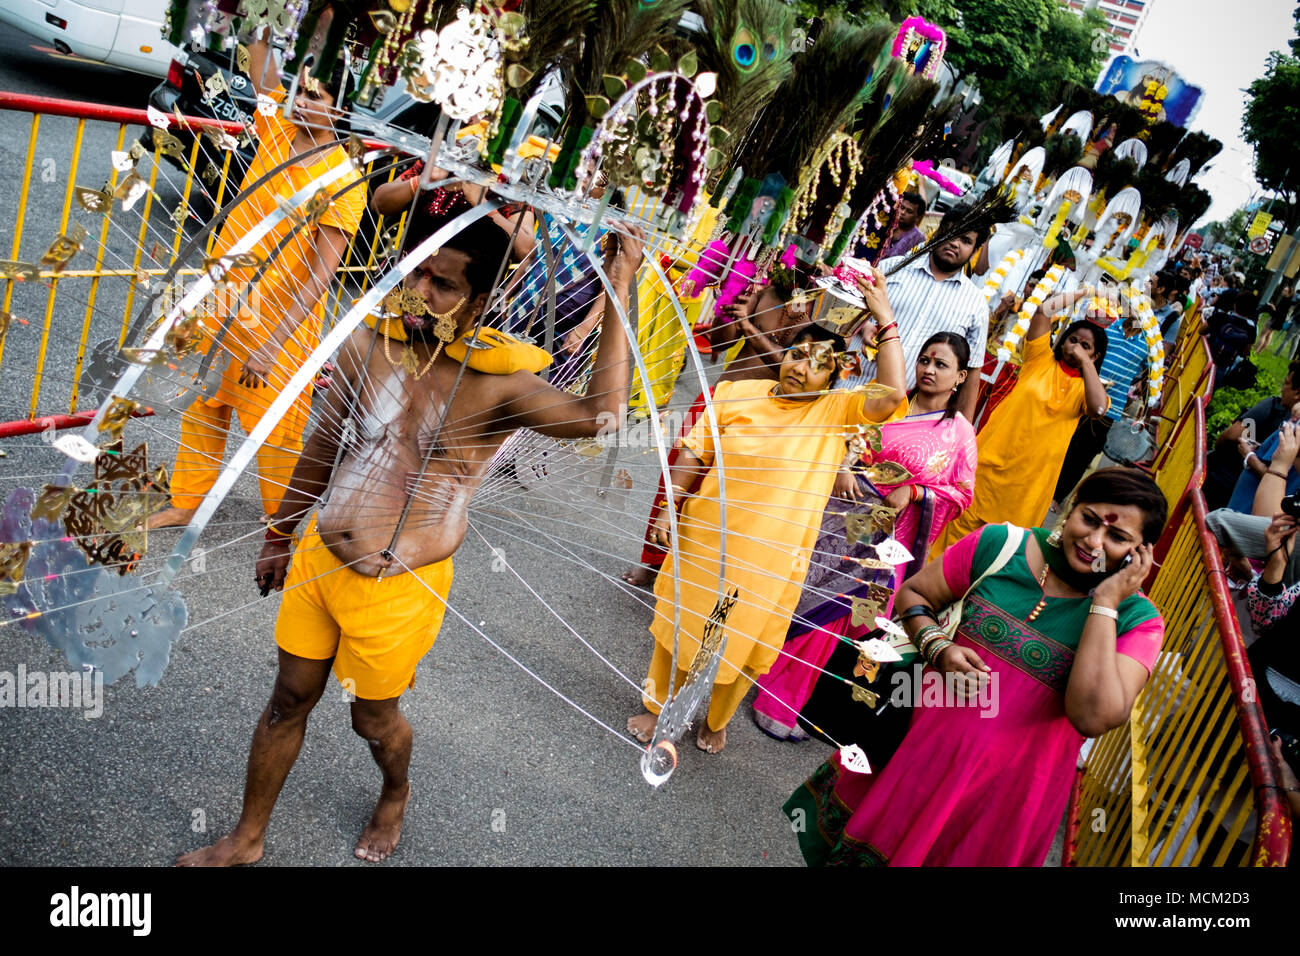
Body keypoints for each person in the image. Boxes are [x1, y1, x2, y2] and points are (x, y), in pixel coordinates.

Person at [176, 209, 644, 866]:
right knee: (287, 699)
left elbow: (601, 418)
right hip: (319, 561)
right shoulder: (368, 344)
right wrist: (279, 532)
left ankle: (395, 791)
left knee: (371, 720)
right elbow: (322, 443)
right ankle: (246, 838)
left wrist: (620, 288)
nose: (421, 293)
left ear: (482, 301)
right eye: (416, 271)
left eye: (444, 284)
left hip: (397, 588)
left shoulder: (498, 382)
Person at [785, 467, 1168, 865]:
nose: (1094, 541)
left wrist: (1105, 604)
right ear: (1071, 509)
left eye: (1117, 537)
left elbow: (1092, 717)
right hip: (911, 758)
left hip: (1002, 803)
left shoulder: (1137, 622)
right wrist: (938, 649)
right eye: (1088, 519)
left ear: (1142, 554)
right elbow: (915, 594)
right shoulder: (1001, 545)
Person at [626, 268, 907, 755]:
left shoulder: (835, 412)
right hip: (708, 535)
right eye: (797, 353)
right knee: (679, 623)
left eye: (817, 364)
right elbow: (695, 451)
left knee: (744, 642)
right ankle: (656, 707)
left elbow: (893, 395)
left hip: (772, 557)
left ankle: (715, 719)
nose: (801, 367)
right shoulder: (737, 394)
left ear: (836, 375)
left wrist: (885, 320)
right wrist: (670, 509)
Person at [150, 28, 367, 529]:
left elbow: (320, 278)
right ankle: (186, 502)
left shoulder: (343, 180)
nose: (298, 100)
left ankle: (284, 527)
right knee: (203, 405)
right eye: (298, 90)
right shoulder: (276, 131)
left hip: (279, 329)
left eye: (314, 96)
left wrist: (273, 344)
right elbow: (261, 52)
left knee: (275, 434)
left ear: (339, 112)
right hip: (224, 301)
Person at [752, 331, 978, 747]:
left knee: (844, 620)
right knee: (804, 596)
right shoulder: (890, 403)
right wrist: (842, 465)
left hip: (892, 541)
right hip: (841, 519)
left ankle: (795, 701)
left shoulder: (960, 434)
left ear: (960, 376)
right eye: (925, 359)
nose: (929, 369)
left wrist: (915, 492)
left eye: (941, 364)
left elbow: (963, 494)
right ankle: (765, 680)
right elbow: (846, 436)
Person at [620, 267, 814, 587]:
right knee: (675, 481)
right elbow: (719, 343)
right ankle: (652, 562)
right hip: (717, 401)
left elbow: (788, 367)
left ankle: (690, 574)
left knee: (718, 497)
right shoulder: (763, 292)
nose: (806, 264)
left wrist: (750, 328)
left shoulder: (812, 313)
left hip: (759, 419)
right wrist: (728, 314)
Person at [933, 288, 1111, 554]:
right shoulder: (1040, 360)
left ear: (1096, 356)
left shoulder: (1089, 390)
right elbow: (1042, 312)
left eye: (1086, 346)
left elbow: (1097, 409)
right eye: (1072, 340)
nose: (1075, 347)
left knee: (1001, 547)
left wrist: (1085, 363)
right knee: (956, 529)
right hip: (989, 463)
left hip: (1029, 485)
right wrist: (1083, 291)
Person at [838, 204, 992, 422]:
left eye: (966, 240)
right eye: (951, 232)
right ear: (939, 230)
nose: (955, 243)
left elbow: (972, 374)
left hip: (904, 417)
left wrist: (960, 433)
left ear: (975, 250)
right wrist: (863, 327)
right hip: (848, 389)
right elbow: (845, 314)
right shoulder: (890, 270)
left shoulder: (975, 304)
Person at [1053, 296, 1153, 504]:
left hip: (1111, 406)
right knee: (1062, 443)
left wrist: (1143, 396)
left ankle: (1057, 496)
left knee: (1083, 455)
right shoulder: (1106, 331)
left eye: (1141, 312)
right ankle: (1046, 482)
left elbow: (1149, 374)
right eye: (1133, 309)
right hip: (1082, 395)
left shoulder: (1146, 345)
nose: (1135, 314)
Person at [1202, 361, 1299, 511]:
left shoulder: (1272, 406)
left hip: (1228, 491)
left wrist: (1249, 455)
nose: (1282, 388)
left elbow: (1233, 434)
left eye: (1286, 383)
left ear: (1297, 392)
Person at [877, 191, 927, 260]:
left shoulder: (919, 239)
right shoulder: (885, 222)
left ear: (918, 217)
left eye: (909, 211)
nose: (903, 212)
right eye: (902, 208)